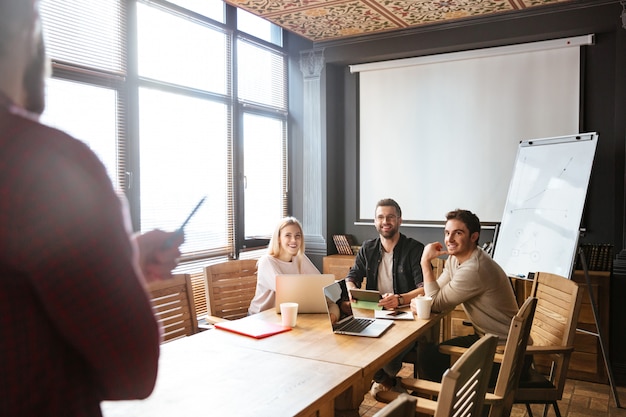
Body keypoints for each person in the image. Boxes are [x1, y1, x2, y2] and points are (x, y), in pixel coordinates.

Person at [0, 1, 184, 415]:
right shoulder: (43, 164)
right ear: (30, 29)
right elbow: (133, 371)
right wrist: (117, 267)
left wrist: (122, 257)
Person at [413, 208, 519, 383]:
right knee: (431, 354)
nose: (449, 239)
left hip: (504, 355)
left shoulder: (474, 268)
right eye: (447, 233)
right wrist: (404, 299)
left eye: (458, 233)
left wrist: (424, 262)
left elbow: (435, 303)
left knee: (430, 358)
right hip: (487, 341)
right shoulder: (456, 259)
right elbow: (436, 290)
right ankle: (439, 403)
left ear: (474, 237)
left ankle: (445, 405)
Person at [345, 198, 425, 397]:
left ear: (399, 220)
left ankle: (384, 379)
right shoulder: (367, 248)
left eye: (390, 217)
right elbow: (352, 276)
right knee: (349, 345)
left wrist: (399, 299)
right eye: (380, 217)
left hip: (405, 315)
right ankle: (386, 382)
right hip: (374, 311)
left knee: (385, 354)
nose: (385, 221)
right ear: (375, 221)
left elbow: (424, 289)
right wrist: (351, 288)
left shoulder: (414, 249)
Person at [248, 216, 320, 314]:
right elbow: (286, 291)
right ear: (278, 239)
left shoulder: (299, 258)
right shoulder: (267, 261)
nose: (294, 240)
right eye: (288, 235)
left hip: (284, 314)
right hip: (260, 317)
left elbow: (320, 282)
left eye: (297, 235)